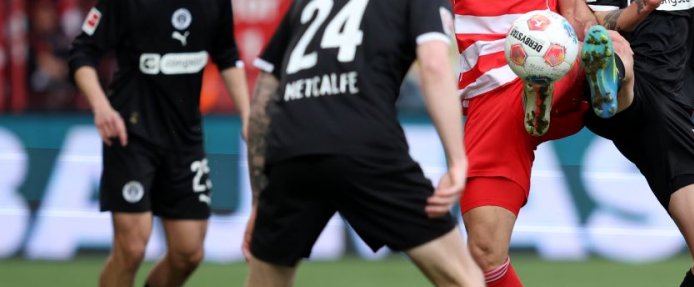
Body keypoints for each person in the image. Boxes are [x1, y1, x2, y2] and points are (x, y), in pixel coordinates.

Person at [242, 0, 483, 286]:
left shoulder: (305, 3)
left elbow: (262, 103)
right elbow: (433, 64)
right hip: (363, 144)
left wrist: (261, 199)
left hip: (291, 148)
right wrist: (457, 160)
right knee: (464, 278)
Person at [68, 0, 250, 286]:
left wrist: (247, 113)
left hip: (185, 138)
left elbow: (227, 54)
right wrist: (101, 106)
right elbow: (82, 52)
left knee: (188, 253)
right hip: (132, 134)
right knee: (132, 249)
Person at [562, 0, 694, 286]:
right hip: (631, 87)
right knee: (613, 51)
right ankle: (613, 77)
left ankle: (615, 77)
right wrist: (642, 8)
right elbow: (591, 22)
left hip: (670, 108)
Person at [452, 0, 597, 285]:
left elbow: (576, 14)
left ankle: (575, 73)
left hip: (553, 50)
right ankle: (557, 79)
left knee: (583, 49)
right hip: (491, 89)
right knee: (484, 252)